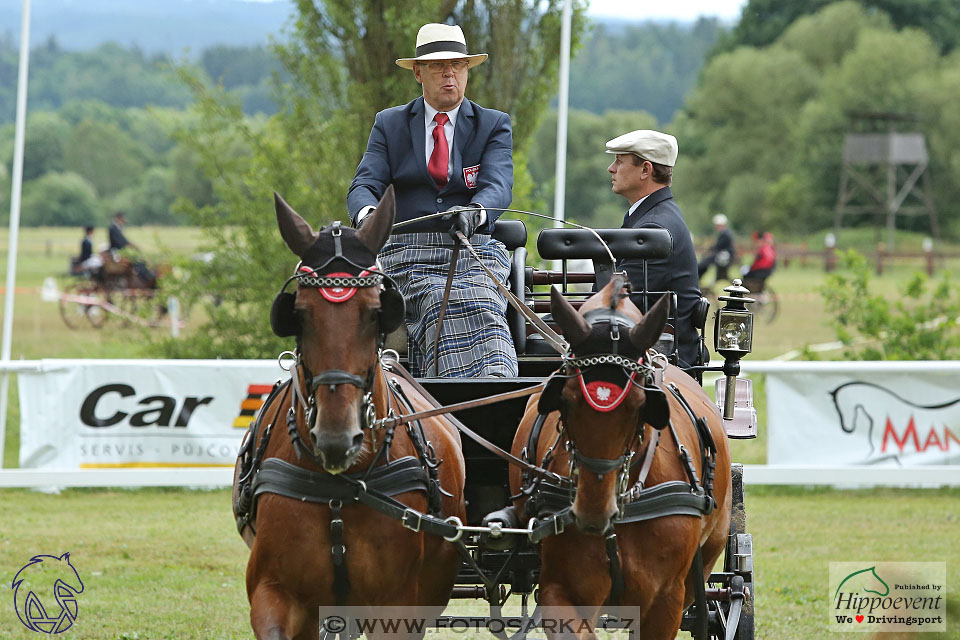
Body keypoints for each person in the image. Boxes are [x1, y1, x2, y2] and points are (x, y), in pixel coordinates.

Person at [347, 23, 516, 378]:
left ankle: (493, 387)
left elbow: (497, 185)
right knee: (437, 296)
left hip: (472, 249)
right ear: (418, 73)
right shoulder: (389, 124)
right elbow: (365, 184)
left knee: (481, 299)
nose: (449, 73)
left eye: (458, 65)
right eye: (438, 66)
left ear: (467, 71)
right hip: (406, 252)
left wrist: (476, 213)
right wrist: (367, 218)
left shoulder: (493, 125)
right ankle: (452, 396)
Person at [606, 129, 703, 367]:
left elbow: (615, 303)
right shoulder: (653, 216)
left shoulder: (653, 226)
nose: (611, 168)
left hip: (662, 361)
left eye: (620, 160)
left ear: (646, 170)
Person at [698, 213, 736, 282]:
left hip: (723, 255)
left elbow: (718, 247)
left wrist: (709, 250)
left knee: (703, 263)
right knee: (705, 261)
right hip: (722, 254)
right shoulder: (725, 233)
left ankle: (698, 278)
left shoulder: (724, 234)